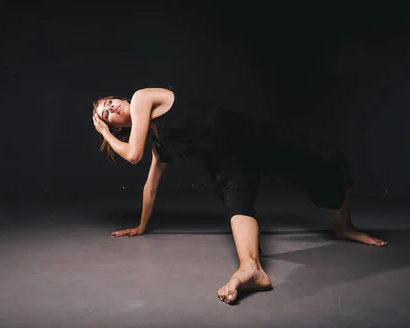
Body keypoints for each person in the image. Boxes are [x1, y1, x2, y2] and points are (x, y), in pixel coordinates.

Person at [92, 86, 386, 305]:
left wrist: (104, 133)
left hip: (247, 134)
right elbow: (151, 185)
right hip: (226, 163)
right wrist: (142, 226)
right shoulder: (159, 144)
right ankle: (251, 269)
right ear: (118, 128)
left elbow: (132, 155)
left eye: (109, 103)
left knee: (328, 158)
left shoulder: (143, 96)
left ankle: (344, 226)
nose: (111, 109)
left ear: (122, 100)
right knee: (238, 202)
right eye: (106, 116)